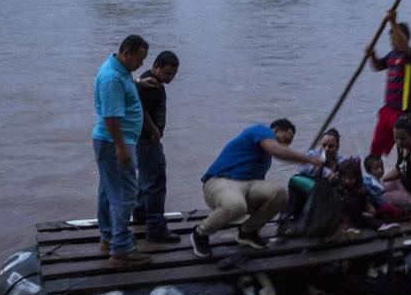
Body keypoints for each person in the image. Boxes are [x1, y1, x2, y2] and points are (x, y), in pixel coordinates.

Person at [191, 118, 324, 258]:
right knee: (236, 205)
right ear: (276, 130)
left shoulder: (265, 159)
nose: (285, 145)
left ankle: (248, 232)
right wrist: (309, 159)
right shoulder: (260, 130)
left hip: (248, 186)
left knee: (279, 194)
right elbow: (276, 150)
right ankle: (200, 233)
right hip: (221, 181)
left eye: (288, 142)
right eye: (284, 139)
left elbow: (262, 191)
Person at [92, 34, 151, 267]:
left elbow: (121, 91)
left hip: (112, 142)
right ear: (126, 52)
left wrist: (137, 82)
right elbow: (111, 118)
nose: (141, 65)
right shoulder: (112, 78)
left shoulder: (118, 69)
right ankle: (121, 250)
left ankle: (108, 237)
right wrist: (121, 148)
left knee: (108, 192)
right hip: (114, 142)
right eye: (139, 59)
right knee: (125, 195)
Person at [132, 50, 179, 244]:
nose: (170, 77)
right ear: (156, 67)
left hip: (140, 140)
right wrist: (154, 131)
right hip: (147, 140)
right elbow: (140, 111)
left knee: (145, 181)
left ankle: (141, 216)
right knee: (156, 183)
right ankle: (156, 228)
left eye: (173, 74)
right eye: (167, 73)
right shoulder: (150, 84)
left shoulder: (146, 80)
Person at [367, 9, 411, 158]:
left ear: (406, 38)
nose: (393, 42)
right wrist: (371, 55)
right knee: (376, 146)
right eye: (391, 39)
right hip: (388, 109)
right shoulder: (392, 55)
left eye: (396, 38)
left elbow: (404, 46)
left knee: (404, 147)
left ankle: (407, 173)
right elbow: (378, 66)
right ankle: (373, 172)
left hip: (403, 112)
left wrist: (392, 21)